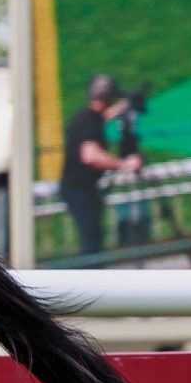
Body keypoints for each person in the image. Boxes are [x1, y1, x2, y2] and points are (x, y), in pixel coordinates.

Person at [57, 73, 141, 257]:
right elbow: (91, 156)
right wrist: (124, 163)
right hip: (81, 191)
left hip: (77, 189)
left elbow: (100, 118)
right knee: (92, 242)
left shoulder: (84, 118)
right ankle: (89, 278)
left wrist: (122, 107)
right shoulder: (90, 121)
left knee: (92, 238)